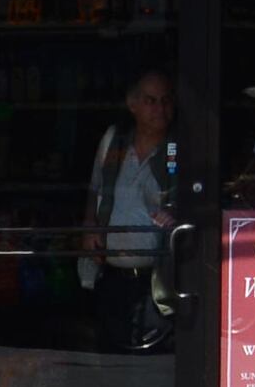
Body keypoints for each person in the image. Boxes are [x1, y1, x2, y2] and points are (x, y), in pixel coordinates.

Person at [80, 66, 187, 350]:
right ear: (133, 104)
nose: (160, 108)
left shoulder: (179, 147)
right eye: (151, 101)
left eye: (166, 100)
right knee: (110, 358)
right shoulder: (114, 140)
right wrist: (90, 225)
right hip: (112, 276)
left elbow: (194, 199)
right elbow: (95, 188)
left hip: (158, 282)